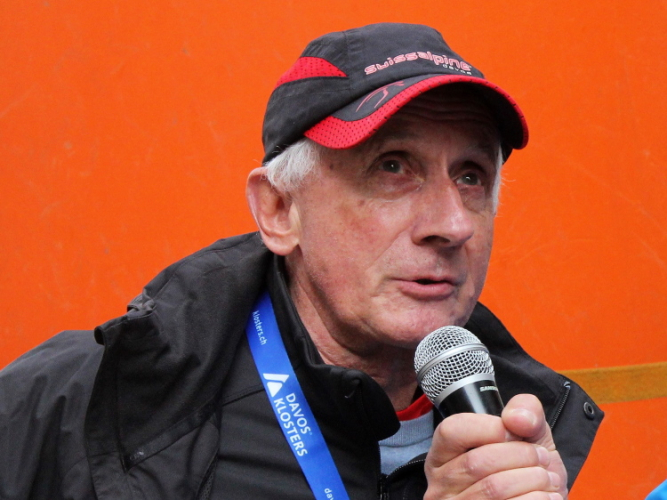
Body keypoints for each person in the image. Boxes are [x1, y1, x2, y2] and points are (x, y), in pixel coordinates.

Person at [0, 22, 602, 499]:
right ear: (280, 209)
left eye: (471, 176)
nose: (451, 224)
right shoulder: (83, 405)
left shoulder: (525, 432)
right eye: (393, 166)